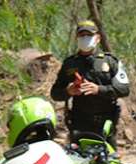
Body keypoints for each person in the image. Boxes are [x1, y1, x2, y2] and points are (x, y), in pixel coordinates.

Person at [50, 20, 129, 149]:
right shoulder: (70, 63)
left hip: (106, 123)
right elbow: (55, 93)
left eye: (89, 35)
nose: (85, 38)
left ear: (97, 38)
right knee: (78, 162)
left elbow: (124, 89)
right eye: (82, 35)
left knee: (108, 163)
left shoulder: (110, 61)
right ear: (77, 38)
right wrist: (68, 91)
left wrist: (99, 89)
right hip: (79, 123)